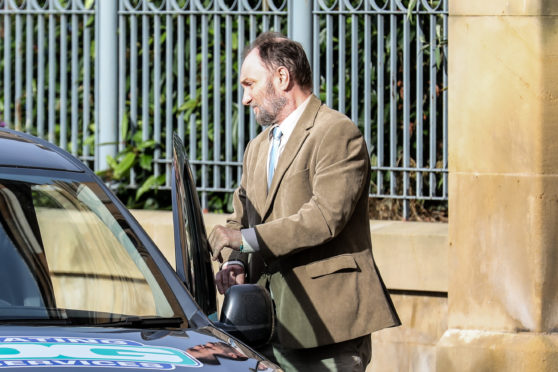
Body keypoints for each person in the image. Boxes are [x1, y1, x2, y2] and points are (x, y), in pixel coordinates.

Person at [208, 32, 400, 371]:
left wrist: (244, 240)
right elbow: (242, 220)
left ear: (282, 77)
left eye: (250, 84)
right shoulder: (257, 148)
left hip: (325, 328)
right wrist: (235, 262)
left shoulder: (336, 132)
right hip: (263, 327)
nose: (245, 98)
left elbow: (324, 218)